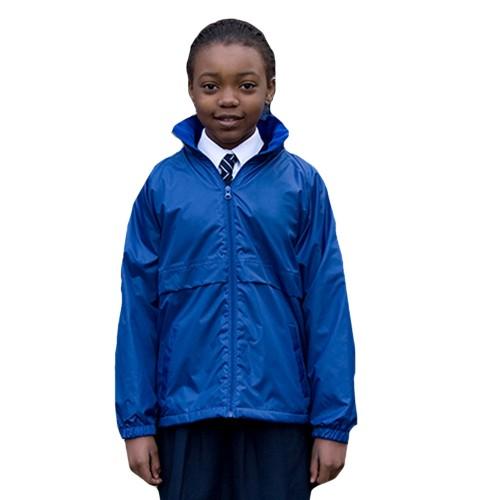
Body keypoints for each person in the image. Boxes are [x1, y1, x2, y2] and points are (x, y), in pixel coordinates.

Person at [115, 18, 358, 500]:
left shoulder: (302, 186)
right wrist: (136, 422)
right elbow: (138, 309)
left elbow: (327, 306)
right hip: (185, 413)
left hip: (280, 413)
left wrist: (332, 423)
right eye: (211, 86)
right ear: (190, 89)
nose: (228, 99)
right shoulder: (163, 187)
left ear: (270, 88)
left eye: (246, 85)